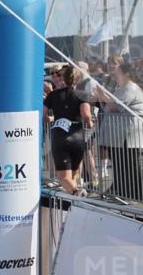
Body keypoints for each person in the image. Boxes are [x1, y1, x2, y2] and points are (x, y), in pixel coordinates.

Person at [96, 61, 143, 199]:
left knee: (130, 164)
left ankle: (137, 191)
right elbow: (109, 107)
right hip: (120, 135)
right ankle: (120, 188)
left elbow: (117, 107)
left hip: (128, 136)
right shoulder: (122, 88)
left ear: (126, 74)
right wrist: (102, 97)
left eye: (117, 73)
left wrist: (103, 96)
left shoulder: (130, 88)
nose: (115, 75)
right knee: (119, 163)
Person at [43, 65, 93, 195]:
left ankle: (77, 193)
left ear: (63, 78)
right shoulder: (83, 95)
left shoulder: (53, 95)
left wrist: (50, 119)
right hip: (78, 137)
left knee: (63, 177)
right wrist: (89, 124)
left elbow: (43, 115)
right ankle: (75, 198)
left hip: (61, 138)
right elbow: (86, 114)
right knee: (73, 175)